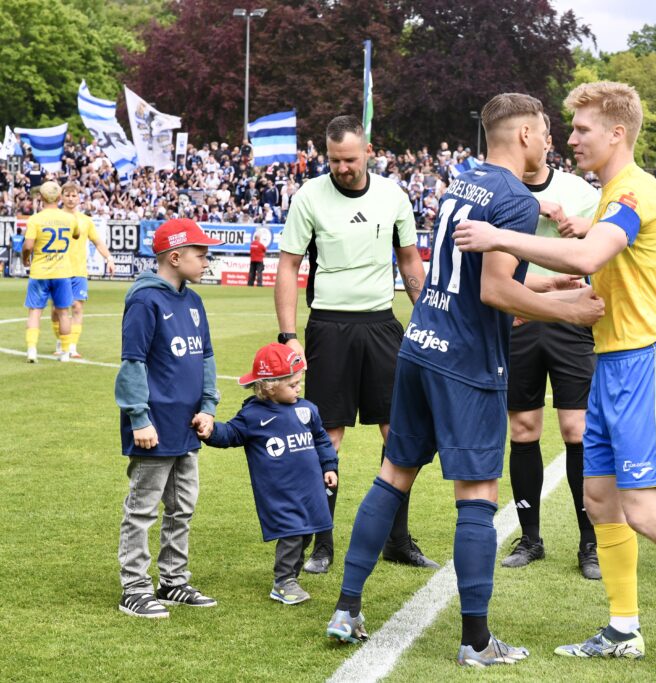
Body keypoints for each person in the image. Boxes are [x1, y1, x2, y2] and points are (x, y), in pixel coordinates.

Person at [453, 81, 656, 679]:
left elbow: (590, 260)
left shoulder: (634, 191)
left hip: (642, 364)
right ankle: (623, 629)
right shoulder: (611, 194)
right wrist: (566, 235)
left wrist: (498, 236)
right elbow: (593, 255)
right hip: (610, 365)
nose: (569, 139)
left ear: (616, 133)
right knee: (600, 501)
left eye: (582, 129)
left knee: (645, 510)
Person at [325, 93, 604, 668]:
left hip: (421, 344)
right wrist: (571, 311)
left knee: (392, 476)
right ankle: (476, 642)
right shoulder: (515, 198)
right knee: (476, 496)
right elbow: (494, 290)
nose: (551, 144)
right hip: (467, 363)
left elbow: (471, 278)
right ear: (525, 134)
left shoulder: (465, 181)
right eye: (547, 134)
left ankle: (347, 609)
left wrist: (548, 291)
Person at [275, 115, 436, 574]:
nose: (341, 168)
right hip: (329, 327)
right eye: (333, 160)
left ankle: (397, 539)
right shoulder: (309, 196)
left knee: (399, 432)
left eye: (349, 159)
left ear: (367, 152)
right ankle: (322, 543)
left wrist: (424, 320)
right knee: (327, 437)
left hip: (382, 326)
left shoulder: (392, 195)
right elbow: (288, 267)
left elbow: (409, 260)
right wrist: (288, 335)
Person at [500, 114, 602, 580]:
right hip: (518, 319)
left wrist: (572, 225)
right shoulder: (499, 189)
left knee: (575, 430)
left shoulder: (581, 190)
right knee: (523, 429)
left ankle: (589, 543)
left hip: (569, 320)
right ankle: (531, 538)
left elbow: (603, 244)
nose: (545, 142)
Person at [114, 218, 223, 619]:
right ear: (175, 257)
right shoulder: (145, 301)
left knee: (182, 506)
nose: (206, 260)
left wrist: (209, 406)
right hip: (154, 427)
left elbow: (206, 357)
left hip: (187, 424)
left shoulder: (193, 301)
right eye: (201, 253)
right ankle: (135, 586)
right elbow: (133, 363)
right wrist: (139, 417)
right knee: (143, 507)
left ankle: (173, 580)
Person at [202, 343, 338, 606]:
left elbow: (321, 439)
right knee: (292, 532)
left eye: (300, 383)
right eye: (293, 384)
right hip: (280, 491)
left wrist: (329, 466)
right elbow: (231, 434)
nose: (299, 388)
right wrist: (209, 432)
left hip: (309, 488)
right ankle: (283, 581)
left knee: (307, 531)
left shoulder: (307, 409)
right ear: (269, 387)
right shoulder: (253, 415)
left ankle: (292, 576)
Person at [51, 182, 115, 359]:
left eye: (74, 196)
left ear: (79, 198)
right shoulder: (53, 218)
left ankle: (71, 346)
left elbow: (98, 242)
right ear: (61, 197)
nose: (71, 199)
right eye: (68, 195)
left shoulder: (86, 221)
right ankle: (60, 340)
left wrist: (109, 258)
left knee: (77, 307)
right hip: (57, 270)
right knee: (57, 310)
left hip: (79, 271)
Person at [21, 181, 79, 363]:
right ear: (60, 197)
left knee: (35, 312)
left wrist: (25, 258)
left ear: (41, 197)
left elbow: (28, 245)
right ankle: (65, 352)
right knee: (63, 312)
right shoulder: (69, 218)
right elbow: (76, 235)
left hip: (40, 271)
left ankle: (32, 350)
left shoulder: (36, 219)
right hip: (62, 272)